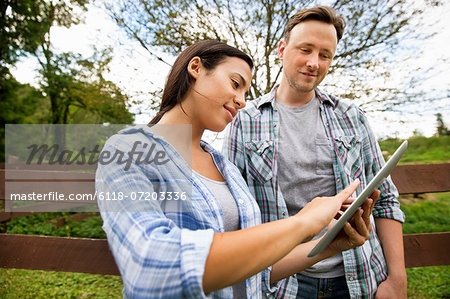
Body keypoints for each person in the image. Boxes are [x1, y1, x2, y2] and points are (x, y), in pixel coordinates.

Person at [95, 40, 378, 298]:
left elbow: (255, 270)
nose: (242, 101)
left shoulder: (225, 167)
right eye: (235, 83)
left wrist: (329, 246)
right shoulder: (127, 150)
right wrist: (303, 222)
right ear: (196, 67)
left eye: (245, 92)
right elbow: (150, 264)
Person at [223, 6, 407, 299]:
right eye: (305, 49)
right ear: (282, 50)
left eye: (325, 55)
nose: (313, 63)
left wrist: (397, 280)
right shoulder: (245, 121)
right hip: (283, 283)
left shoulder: (352, 116)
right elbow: (235, 213)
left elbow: (385, 200)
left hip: (359, 276)